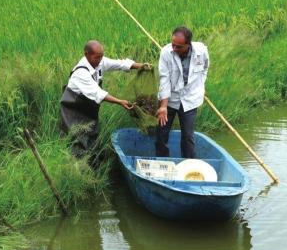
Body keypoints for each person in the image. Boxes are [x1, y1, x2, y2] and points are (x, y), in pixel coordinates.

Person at [60, 40, 150, 158]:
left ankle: (92, 167)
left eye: (101, 57)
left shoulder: (99, 62)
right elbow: (98, 93)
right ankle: (77, 170)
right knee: (77, 142)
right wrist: (120, 101)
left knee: (92, 138)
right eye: (97, 57)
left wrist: (141, 66)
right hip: (74, 112)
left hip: (88, 111)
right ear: (86, 54)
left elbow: (120, 64)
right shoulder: (81, 73)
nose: (99, 60)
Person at [156, 26, 210, 158]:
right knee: (162, 134)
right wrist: (163, 106)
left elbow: (205, 68)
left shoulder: (201, 51)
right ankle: (162, 161)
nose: (174, 49)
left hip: (190, 99)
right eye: (173, 45)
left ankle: (188, 166)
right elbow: (164, 80)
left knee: (188, 136)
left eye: (178, 47)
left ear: (188, 44)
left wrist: (200, 86)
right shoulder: (166, 53)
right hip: (170, 99)